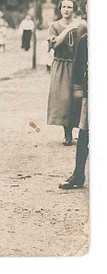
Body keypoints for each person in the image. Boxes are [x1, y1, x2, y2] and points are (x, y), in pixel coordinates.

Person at [46, 0, 87, 145]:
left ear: (74, 9)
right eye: (64, 7)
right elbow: (54, 44)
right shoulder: (54, 26)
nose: (66, 10)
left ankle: (80, 132)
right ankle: (67, 134)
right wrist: (68, 29)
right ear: (60, 9)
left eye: (69, 7)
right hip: (61, 66)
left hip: (77, 65)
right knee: (63, 100)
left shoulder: (81, 26)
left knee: (77, 98)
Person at [60, 31, 88, 189]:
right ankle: (78, 175)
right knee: (85, 133)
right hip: (90, 94)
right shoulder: (86, 39)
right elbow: (78, 68)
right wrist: (79, 92)